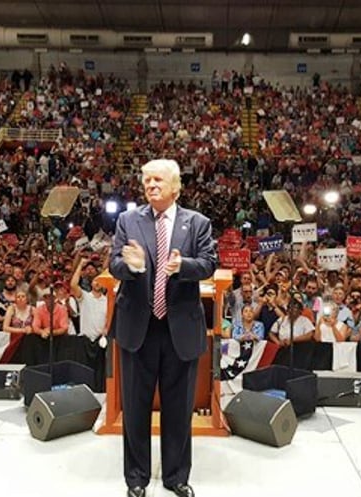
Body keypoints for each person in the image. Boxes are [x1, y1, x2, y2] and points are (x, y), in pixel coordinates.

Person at [109, 159, 216, 497]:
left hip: (179, 329)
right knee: (136, 408)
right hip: (138, 327)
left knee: (179, 408)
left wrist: (182, 265)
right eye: (146, 180)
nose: (150, 185)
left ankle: (176, 477)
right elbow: (114, 263)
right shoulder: (128, 220)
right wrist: (131, 266)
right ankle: (137, 478)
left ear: (175, 187)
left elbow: (210, 264)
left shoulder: (197, 223)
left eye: (157, 180)